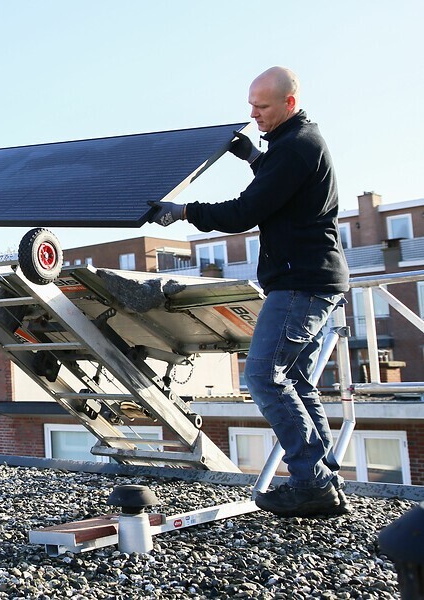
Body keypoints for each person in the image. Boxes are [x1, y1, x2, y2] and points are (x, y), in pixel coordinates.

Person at [148, 66, 351, 517]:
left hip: (302, 282)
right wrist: (253, 157)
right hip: (313, 279)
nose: (253, 114)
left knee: (263, 376)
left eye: (262, 106)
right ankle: (322, 479)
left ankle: (312, 481)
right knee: (294, 378)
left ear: (289, 104)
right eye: (251, 105)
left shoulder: (296, 148)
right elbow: (280, 188)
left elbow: (247, 210)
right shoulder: (293, 145)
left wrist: (183, 212)